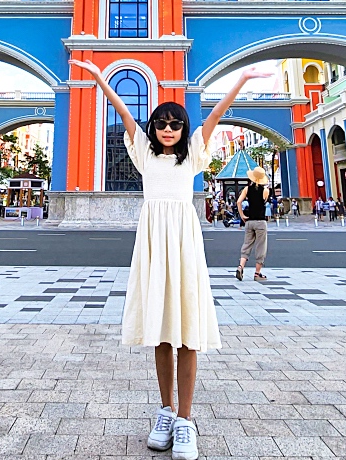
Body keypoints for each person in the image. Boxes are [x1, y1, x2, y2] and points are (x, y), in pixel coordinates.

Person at [71, 58, 269, 460]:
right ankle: (164, 412)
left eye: (174, 123)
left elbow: (214, 115)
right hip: (153, 243)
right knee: (162, 330)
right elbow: (124, 112)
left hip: (183, 241)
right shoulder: (144, 154)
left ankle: (185, 420)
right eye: (161, 123)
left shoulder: (194, 155)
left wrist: (240, 81)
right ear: (153, 128)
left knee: (188, 329)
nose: (166, 129)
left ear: (182, 129)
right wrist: (98, 78)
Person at [235, 167, 271, 281]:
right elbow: (263, 202)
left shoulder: (247, 189)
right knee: (261, 247)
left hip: (249, 221)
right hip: (260, 222)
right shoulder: (265, 191)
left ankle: (241, 266)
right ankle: (257, 273)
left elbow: (238, 201)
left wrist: (242, 215)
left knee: (246, 245)